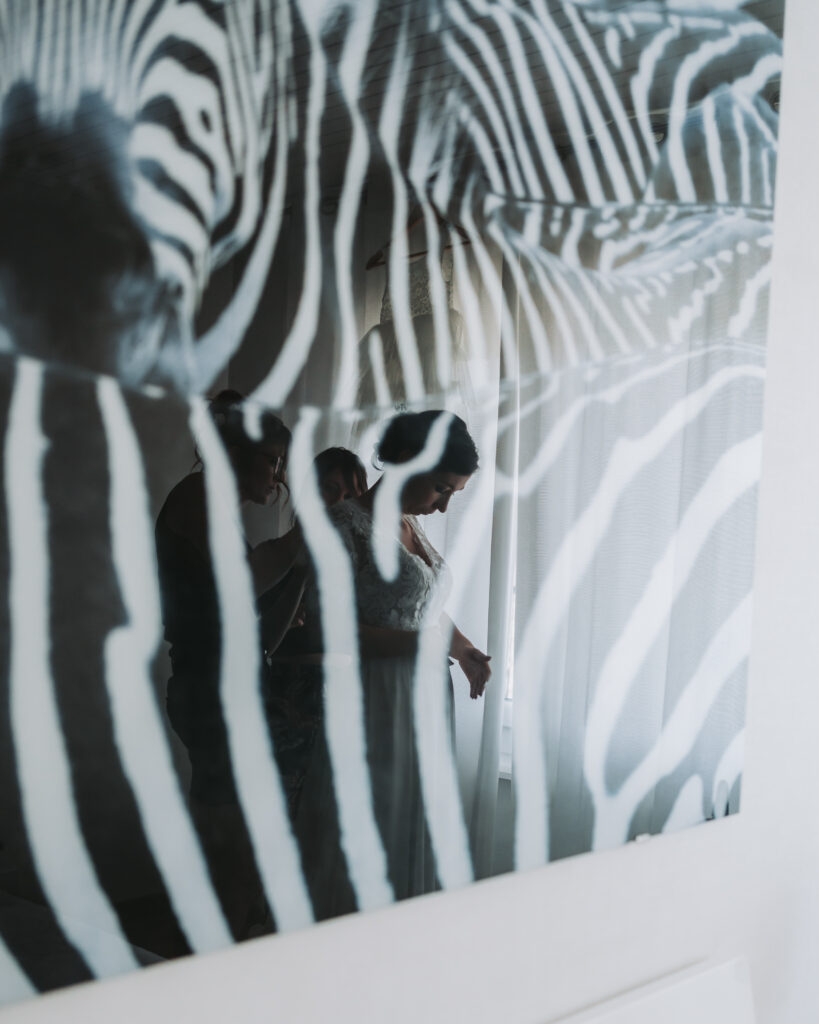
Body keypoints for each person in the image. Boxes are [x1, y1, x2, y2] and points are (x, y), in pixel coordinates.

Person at [296, 410, 490, 915]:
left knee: (410, 817)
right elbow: (324, 627)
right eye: (441, 490)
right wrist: (418, 649)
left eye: (453, 495)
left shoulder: (408, 525)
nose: (444, 507)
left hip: (421, 697)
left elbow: (423, 608)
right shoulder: (344, 525)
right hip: (372, 698)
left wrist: (462, 649)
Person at [155, 389, 305, 938]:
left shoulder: (215, 508)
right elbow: (242, 585)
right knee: (235, 861)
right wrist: (296, 546)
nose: (278, 474)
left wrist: (301, 571)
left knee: (238, 857)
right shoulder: (198, 498)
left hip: (231, 691)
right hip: (210, 694)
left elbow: (260, 635)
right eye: (271, 459)